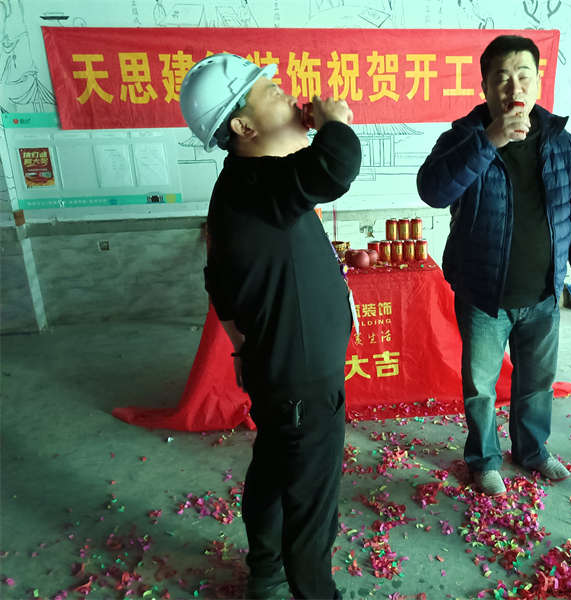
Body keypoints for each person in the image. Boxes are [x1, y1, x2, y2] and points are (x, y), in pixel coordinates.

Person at [180, 54, 361, 599]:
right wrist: (333, 121)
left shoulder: (248, 183)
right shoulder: (259, 184)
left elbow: (218, 283)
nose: (289, 96)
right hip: (302, 379)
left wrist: (247, 346)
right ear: (243, 126)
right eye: (273, 93)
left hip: (282, 370)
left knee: (277, 470)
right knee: (311, 503)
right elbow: (336, 166)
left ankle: (266, 571)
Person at [417, 35, 571, 496]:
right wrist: (489, 141)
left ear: (538, 81)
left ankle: (532, 451)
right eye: (501, 78)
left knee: (536, 382)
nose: (513, 87)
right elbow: (433, 191)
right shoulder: (462, 138)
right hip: (484, 292)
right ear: (484, 86)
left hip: (543, 290)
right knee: (481, 387)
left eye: (522, 75)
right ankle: (484, 460)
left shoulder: (559, 141)